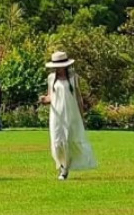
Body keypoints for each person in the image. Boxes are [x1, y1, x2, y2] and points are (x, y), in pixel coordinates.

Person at [40, 49, 96, 181]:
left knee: (69, 138)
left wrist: (81, 114)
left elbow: (77, 96)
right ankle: (61, 165)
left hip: (71, 113)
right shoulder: (51, 78)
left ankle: (65, 168)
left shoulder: (73, 78)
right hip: (57, 114)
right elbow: (50, 97)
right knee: (57, 139)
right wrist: (44, 99)